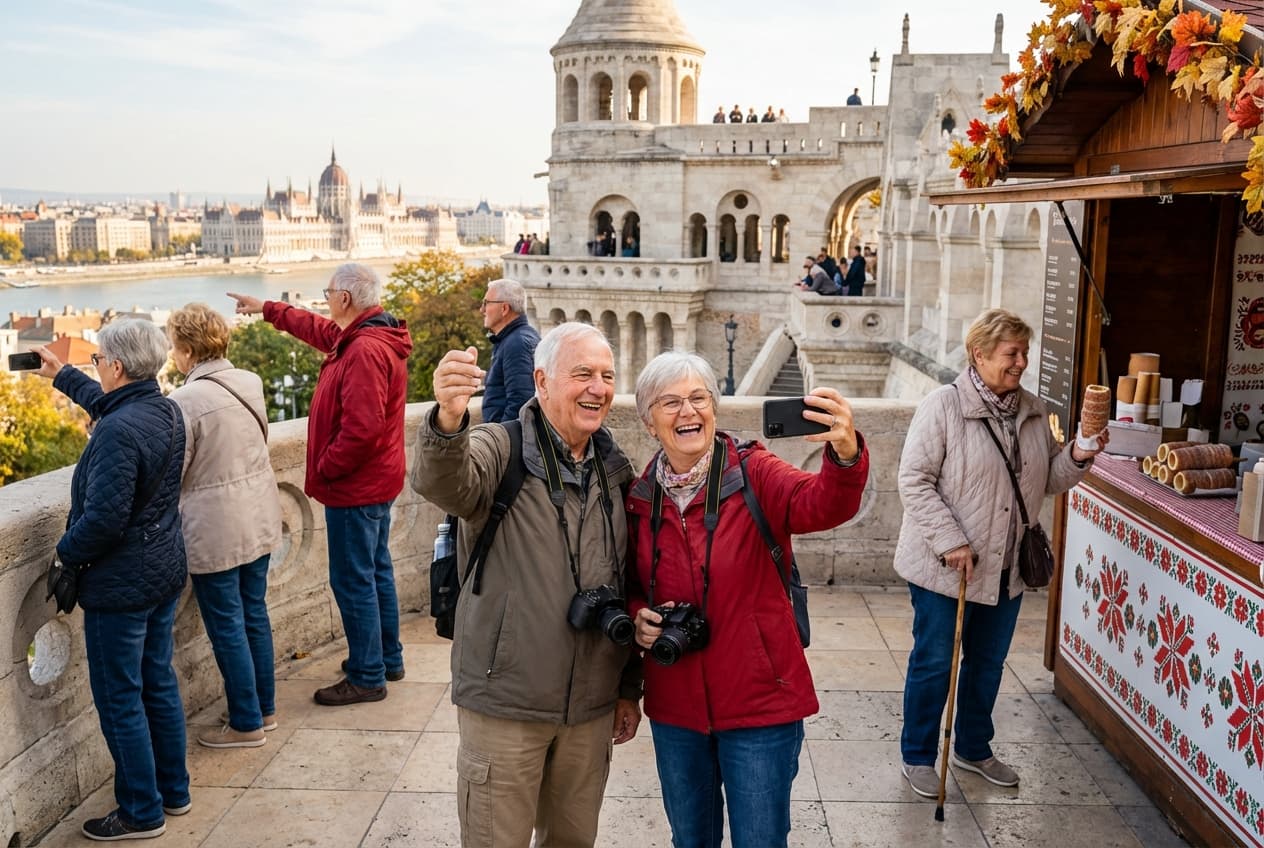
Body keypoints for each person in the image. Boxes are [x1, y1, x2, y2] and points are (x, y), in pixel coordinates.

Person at [410, 322, 642, 848]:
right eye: (581, 373)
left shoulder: (616, 471)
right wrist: (448, 419)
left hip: (589, 711)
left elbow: (626, 585)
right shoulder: (501, 447)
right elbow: (444, 481)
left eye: (607, 376)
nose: (597, 388)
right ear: (541, 379)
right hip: (505, 705)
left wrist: (628, 688)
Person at [627, 352, 869, 847]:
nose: (688, 412)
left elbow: (822, 503)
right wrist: (638, 617)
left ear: (715, 409)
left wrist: (844, 453)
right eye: (670, 403)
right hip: (677, 709)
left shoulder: (754, 471)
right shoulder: (640, 498)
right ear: (649, 422)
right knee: (690, 840)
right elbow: (630, 583)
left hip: (761, 703)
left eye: (699, 398)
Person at [895, 308, 1107, 799]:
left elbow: (1044, 481)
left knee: (987, 663)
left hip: (1008, 566)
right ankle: (918, 755)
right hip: (945, 567)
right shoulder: (942, 407)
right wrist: (950, 540)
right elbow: (914, 480)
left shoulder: (1032, 411)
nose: (1021, 362)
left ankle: (973, 746)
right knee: (934, 661)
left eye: (1024, 353)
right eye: (1012, 353)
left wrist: (1076, 455)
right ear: (980, 355)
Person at [227, 262, 412, 707]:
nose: (325, 300)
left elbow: (361, 430)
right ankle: (387, 658)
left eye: (328, 293)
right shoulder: (365, 334)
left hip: (356, 486)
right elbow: (317, 329)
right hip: (375, 482)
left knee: (353, 581)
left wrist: (326, 468)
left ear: (345, 298)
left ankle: (368, 674)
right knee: (375, 570)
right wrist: (268, 309)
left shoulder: (365, 349)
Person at [34, 319, 190, 841]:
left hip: (121, 585)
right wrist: (65, 377)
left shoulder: (120, 430)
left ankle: (142, 811)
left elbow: (103, 520)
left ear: (117, 367)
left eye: (98, 360)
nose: (96, 365)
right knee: (157, 683)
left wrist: (63, 554)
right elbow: (114, 407)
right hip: (162, 570)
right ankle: (174, 790)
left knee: (121, 697)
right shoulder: (164, 408)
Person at [167, 303, 282, 749]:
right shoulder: (249, 382)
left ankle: (246, 723)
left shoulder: (184, 401)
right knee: (254, 613)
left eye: (175, 348)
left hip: (214, 526)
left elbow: (175, 472)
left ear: (189, 350)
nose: (173, 357)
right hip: (258, 514)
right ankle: (265, 710)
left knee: (227, 625)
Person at [480, 279, 541, 424]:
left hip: (507, 441)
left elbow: (521, 403)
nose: (481, 310)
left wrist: (501, 438)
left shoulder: (517, 344)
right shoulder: (515, 338)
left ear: (504, 309)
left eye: (486, 303)